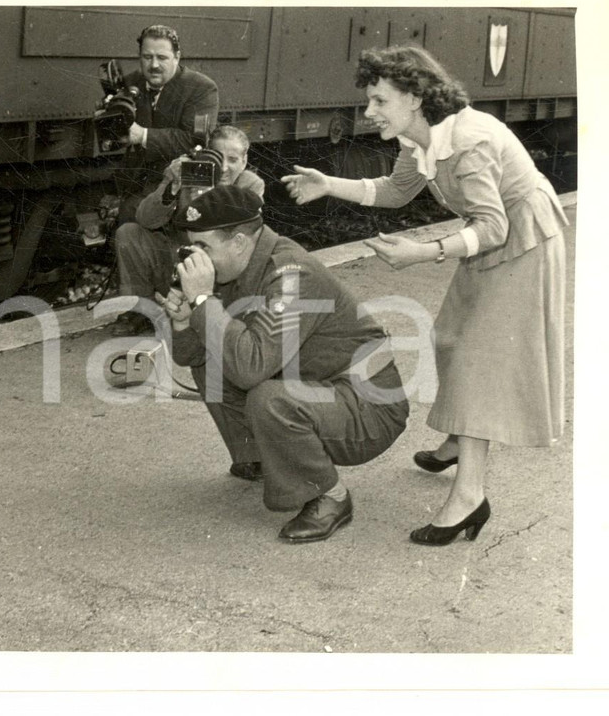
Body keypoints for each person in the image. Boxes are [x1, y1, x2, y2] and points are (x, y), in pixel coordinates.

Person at [280, 45, 569, 546]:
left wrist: (424, 252)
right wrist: (328, 184)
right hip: (490, 239)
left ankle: (469, 497)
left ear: (414, 98)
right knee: (451, 336)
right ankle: (461, 438)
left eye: (379, 101)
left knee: (480, 359)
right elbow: (394, 191)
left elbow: (495, 227)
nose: (369, 112)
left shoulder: (467, 142)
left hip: (524, 242)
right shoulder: (420, 139)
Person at [156, 186, 410, 543]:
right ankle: (261, 457)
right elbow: (192, 358)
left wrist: (202, 299)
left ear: (240, 241)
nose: (194, 258)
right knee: (218, 362)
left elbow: (250, 368)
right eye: (191, 246)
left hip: (369, 407)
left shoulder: (292, 275)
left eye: (203, 247)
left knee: (268, 396)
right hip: (323, 391)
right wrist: (186, 319)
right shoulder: (236, 269)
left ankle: (330, 496)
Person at [110, 125, 265, 336]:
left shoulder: (251, 184)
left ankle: (209, 310)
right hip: (178, 259)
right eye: (218, 158)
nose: (225, 167)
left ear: (244, 162)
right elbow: (145, 218)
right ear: (206, 155)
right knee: (129, 233)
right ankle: (142, 311)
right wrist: (172, 186)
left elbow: (240, 237)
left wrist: (212, 197)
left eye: (233, 159)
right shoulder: (190, 171)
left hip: (218, 270)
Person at [114, 24, 220, 223]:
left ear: (177, 57)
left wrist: (142, 135)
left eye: (162, 57)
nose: (154, 65)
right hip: (135, 187)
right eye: (147, 57)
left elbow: (193, 140)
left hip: (179, 190)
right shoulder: (131, 82)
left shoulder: (202, 88)